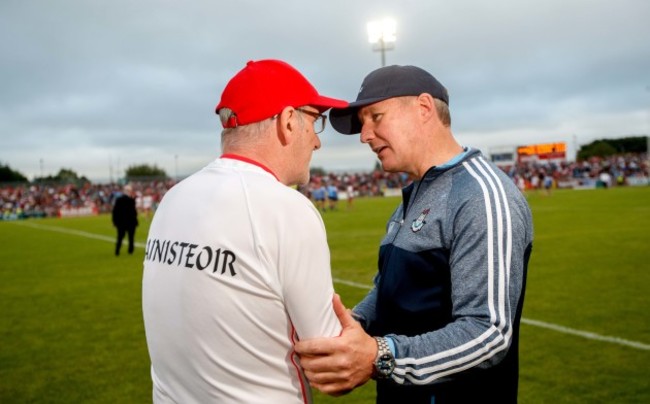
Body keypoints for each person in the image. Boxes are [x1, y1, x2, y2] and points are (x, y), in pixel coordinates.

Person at [295, 64, 534, 403]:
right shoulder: (415, 195)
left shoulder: (480, 195)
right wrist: (353, 324)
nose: (365, 135)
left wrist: (379, 354)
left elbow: (488, 333)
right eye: (363, 123)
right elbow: (392, 292)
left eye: (375, 117)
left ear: (424, 108)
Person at [141, 59, 348, 403]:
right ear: (287, 122)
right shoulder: (286, 208)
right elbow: (331, 359)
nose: (317, 142)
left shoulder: (173, 198)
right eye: (315, 120)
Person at [111, 184, 138, 256]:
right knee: (131, 237)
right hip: (130, 222)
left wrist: (114, 221)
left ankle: (117, 250)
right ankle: (130, 251)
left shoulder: (119, 200)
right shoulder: (131, 200)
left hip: (121, 223)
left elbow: (115, 212)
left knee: (120, 237)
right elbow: (134, 212)